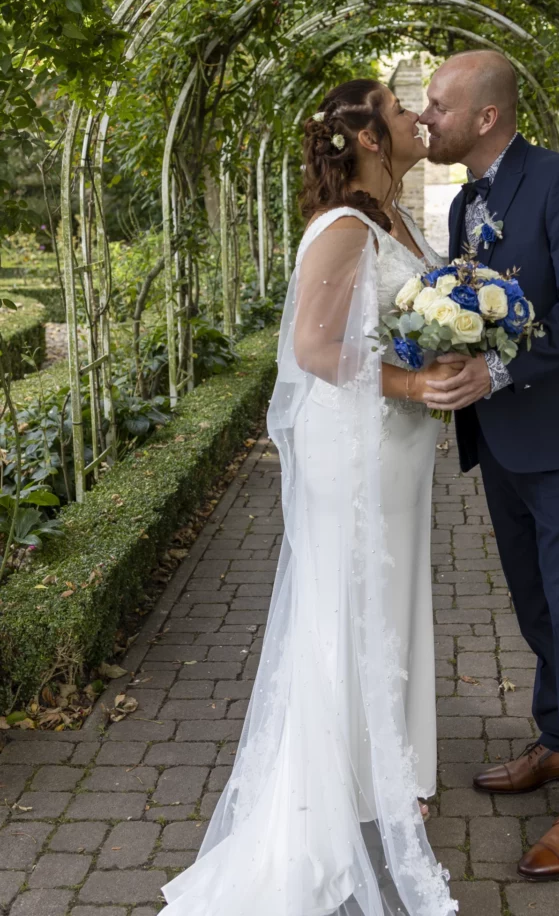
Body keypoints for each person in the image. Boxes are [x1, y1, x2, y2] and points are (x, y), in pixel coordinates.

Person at [160, 80, 458, 916]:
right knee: (346, 603)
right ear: (365, 137)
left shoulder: (394, 220)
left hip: (393, 446)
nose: (414, 120)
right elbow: (315, 347)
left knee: (388, 601)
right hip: (357, 447)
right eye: (400, 112)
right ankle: (332, 786)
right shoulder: (341, 228)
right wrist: (410, 383)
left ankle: (383, 770)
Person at [419, 49, 559, 880]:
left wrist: (499, 370)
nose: (426, 115)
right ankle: (558, 745)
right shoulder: (469, 197)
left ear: (486, 116)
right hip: (502, 440)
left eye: (438, 103)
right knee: (537, 609)